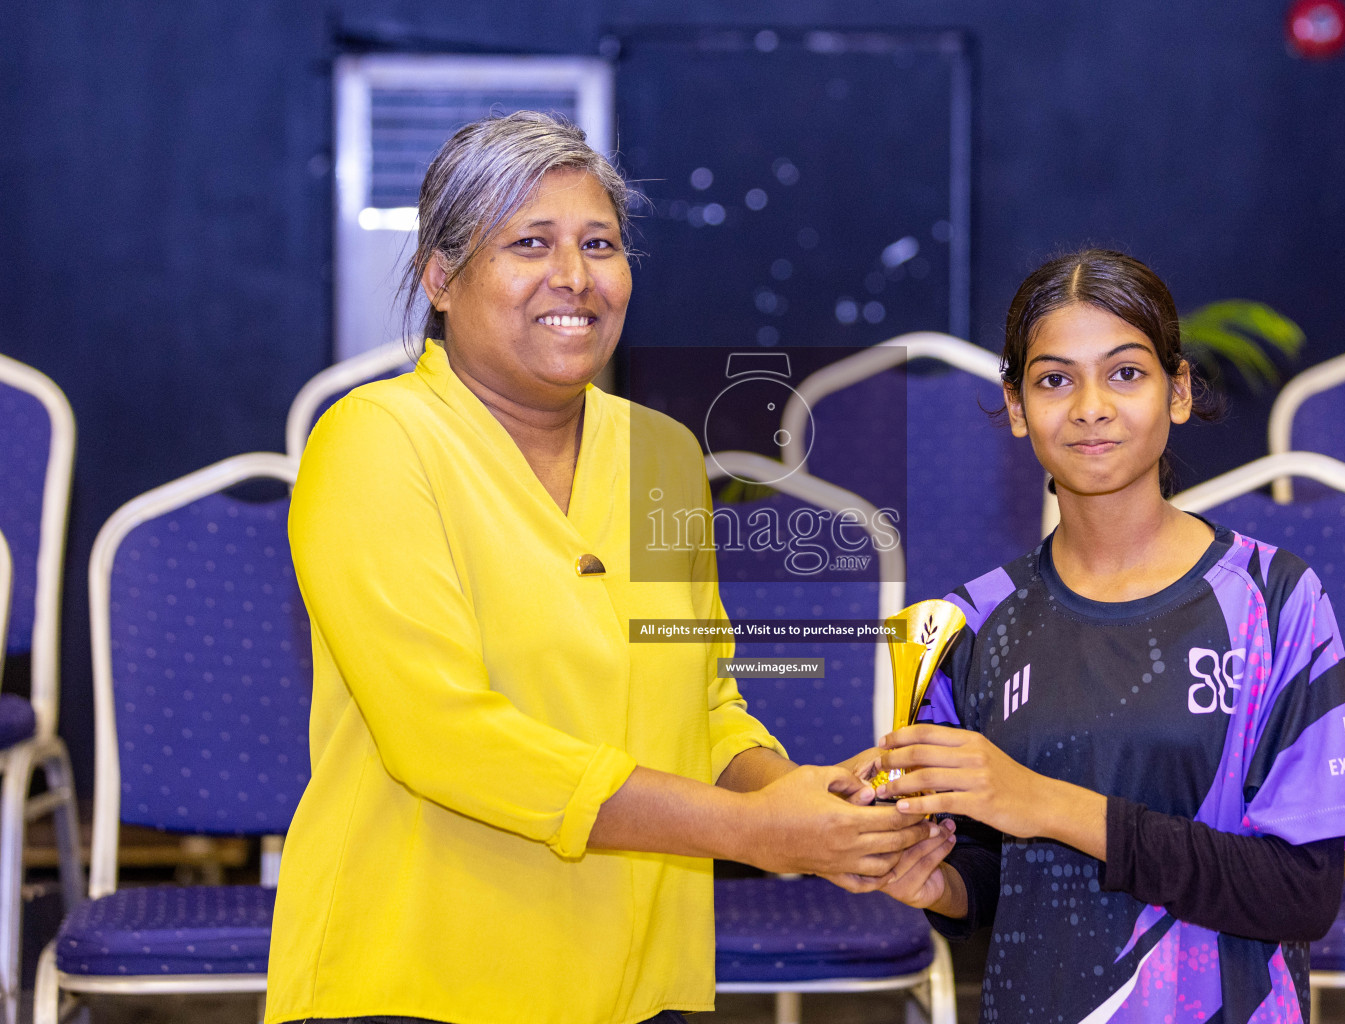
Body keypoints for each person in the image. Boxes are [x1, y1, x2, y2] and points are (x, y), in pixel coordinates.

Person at [266, 112, 928, 1024]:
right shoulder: (376, 442)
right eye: (529, 243)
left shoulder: (659, 454)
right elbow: (445, 736)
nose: (573, 276)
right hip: (417, 978)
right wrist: (752, 832)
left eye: (599, 244)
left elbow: (703, 703)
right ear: (442, 277)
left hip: (629, 981)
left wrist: (801, 797)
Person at [872, 249, 1345, 1024]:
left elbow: (1300, 894)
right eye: (1053, 380)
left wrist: (1043, 802)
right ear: (1015, 407)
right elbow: (987, 871)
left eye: (1124, 373)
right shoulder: (971, 624)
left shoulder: (1277, 599)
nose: (1089, 406)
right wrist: (933, 882)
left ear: (1177, 392)